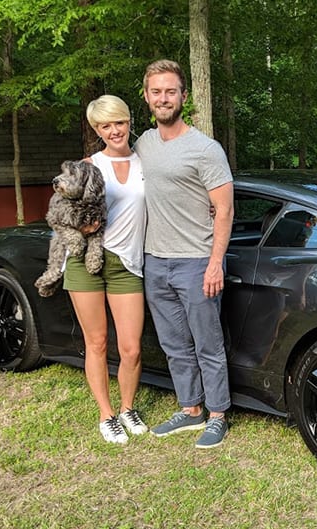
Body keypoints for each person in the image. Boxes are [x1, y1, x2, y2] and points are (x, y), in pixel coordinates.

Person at [134, 59, 234, 449]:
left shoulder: (205, 149)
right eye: (156, 91)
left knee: (207, 343)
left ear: (183, 97)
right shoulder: (143, 144)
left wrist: (214, 263)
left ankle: (218, 415)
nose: (163, 98)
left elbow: (224, 210)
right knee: (174, 344)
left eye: (170, 91)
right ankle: (190, 410)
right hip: (155, 260)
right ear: (147, 98)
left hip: (196, 262)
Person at [63, 94, 148, 444]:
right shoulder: (87, 166)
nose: (114, 131)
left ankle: (127, 407)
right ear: (97, 130)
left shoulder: (147, 162)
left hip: (128, 263)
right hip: (87, 262)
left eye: (119, 123)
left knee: (131, 348)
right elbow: (63, 218)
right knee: (96, 342)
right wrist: (83, 225)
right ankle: (107, 414)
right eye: (105, 126)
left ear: (129, 122)